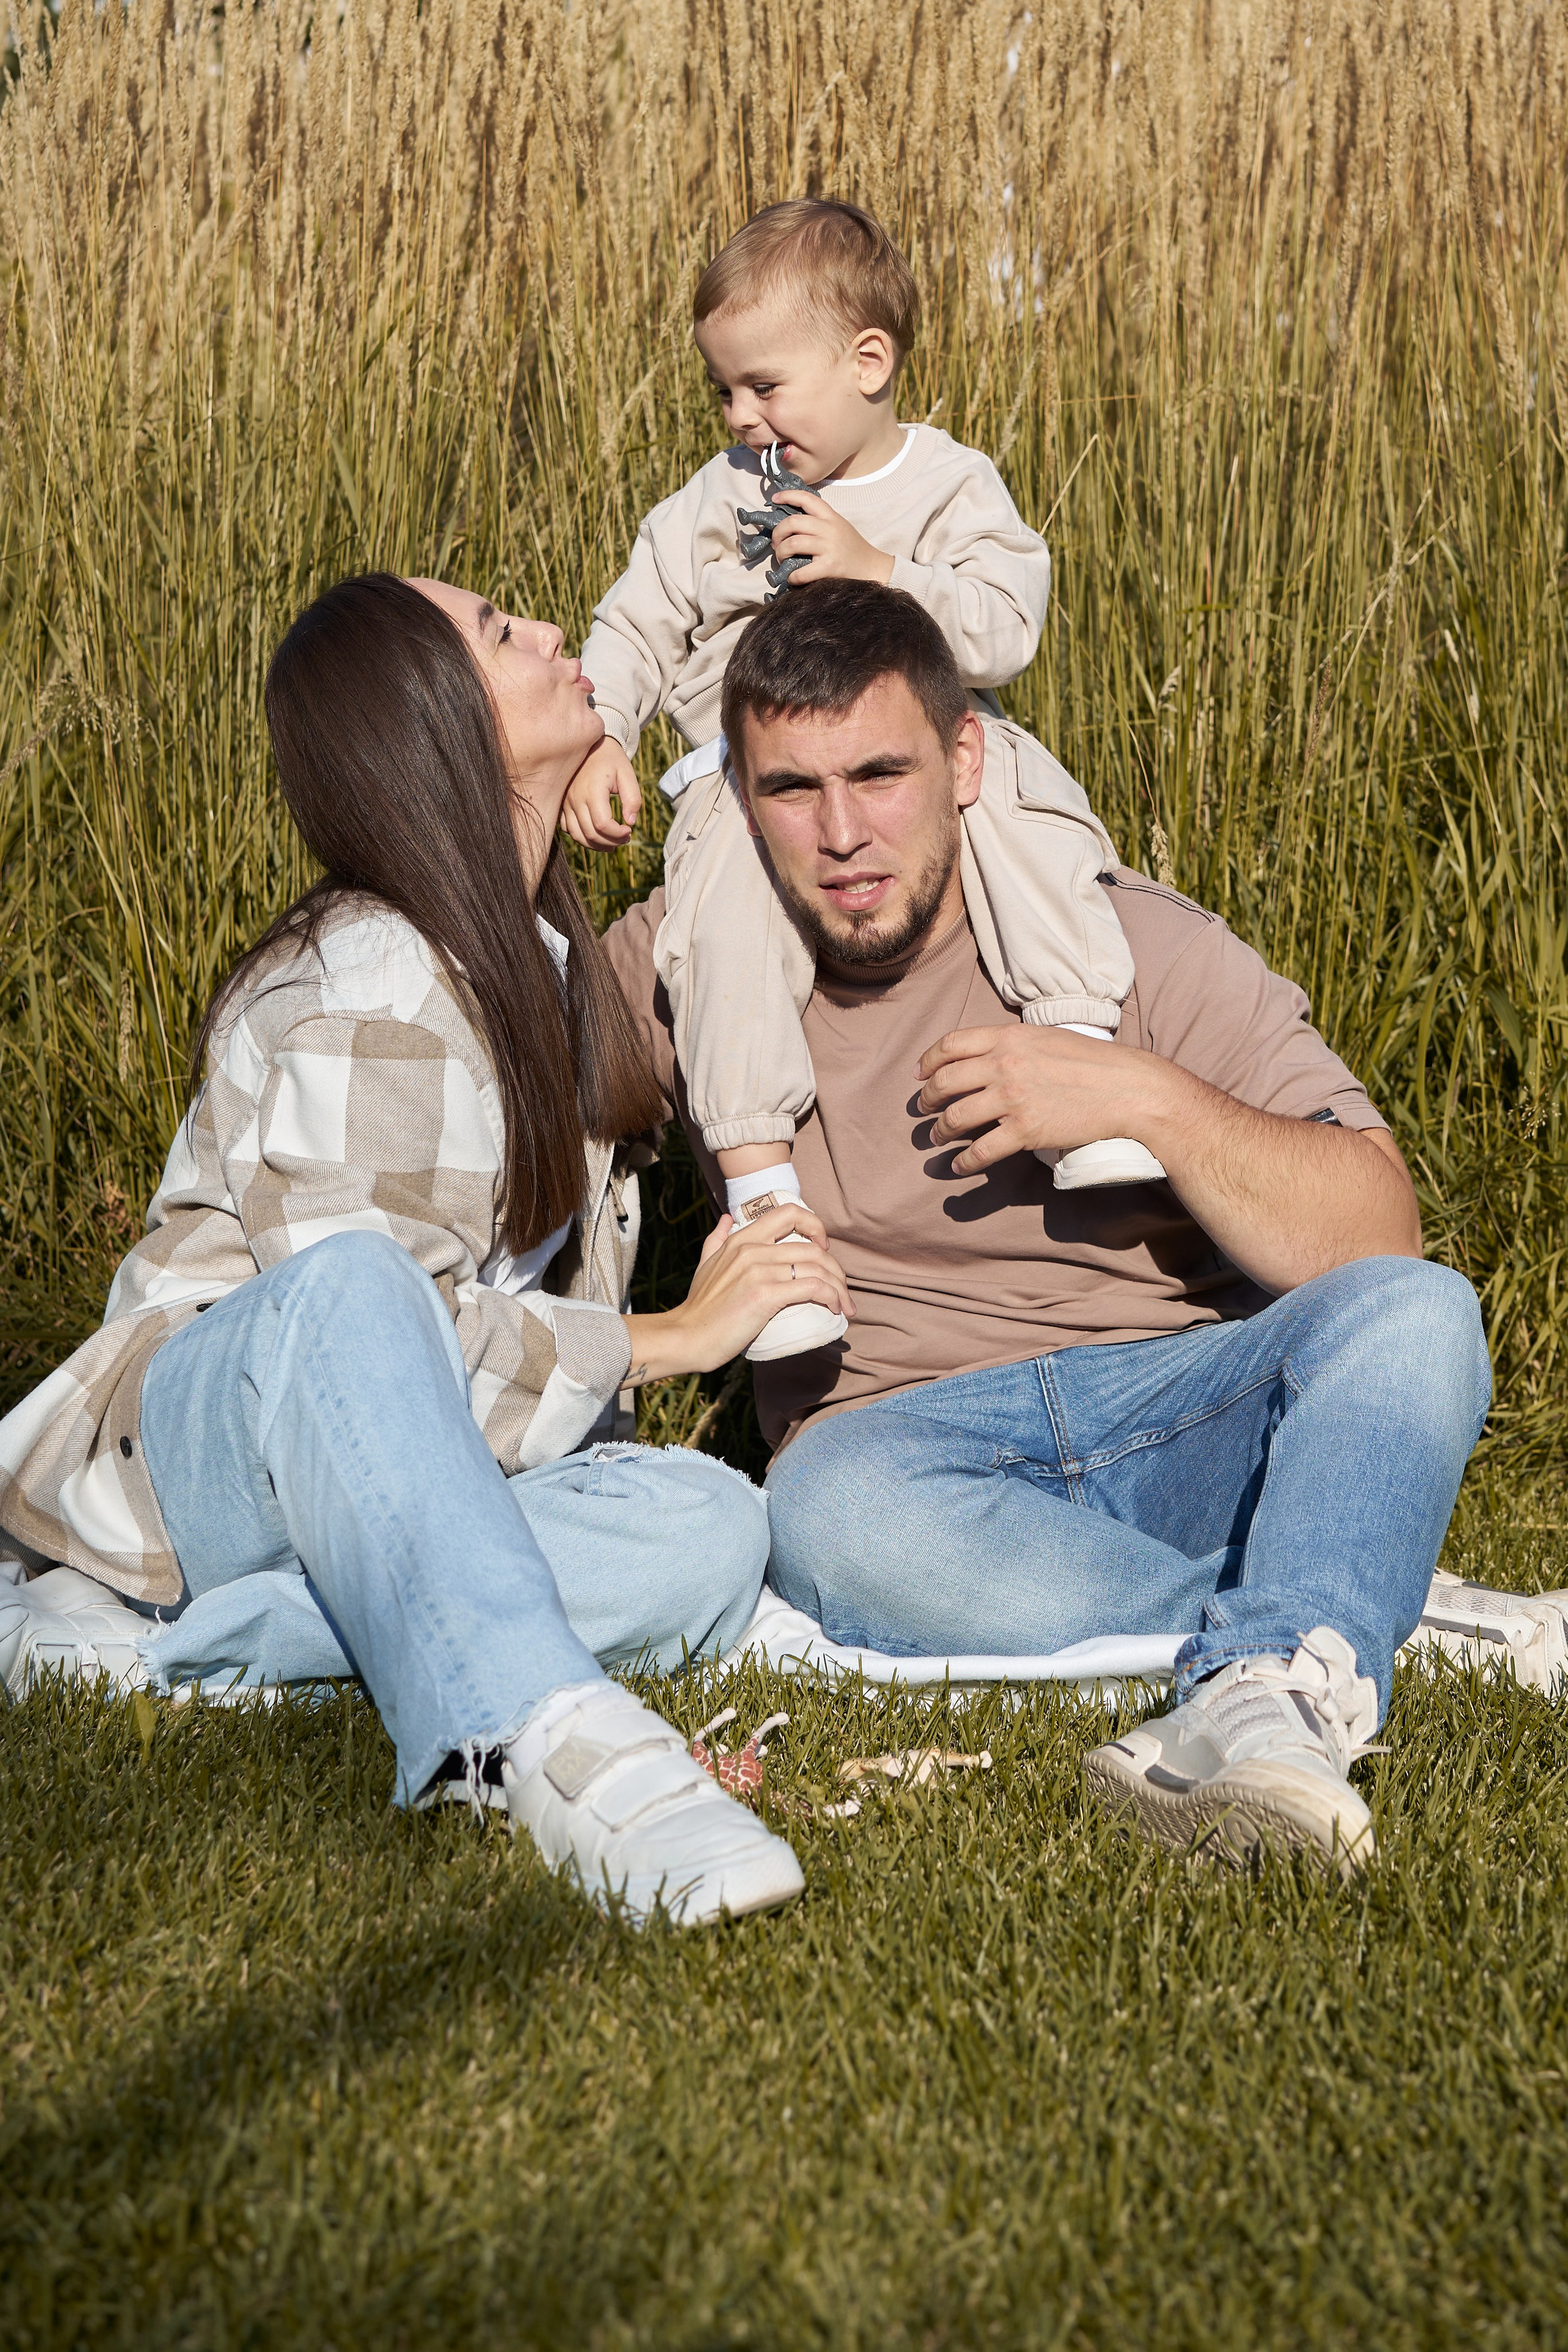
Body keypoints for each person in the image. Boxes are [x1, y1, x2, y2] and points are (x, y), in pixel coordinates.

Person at [604, 579, 1494, 1880]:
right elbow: (509, 1070)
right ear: (736, 796)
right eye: (791, 789)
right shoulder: (691, 963)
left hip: (1180, 1396)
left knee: (1417, 1318)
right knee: (819, 1510)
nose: (843, 833)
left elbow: (1377, 1234)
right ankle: (1320, 1639)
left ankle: (1278, 1651)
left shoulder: (1118, 942)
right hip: (902, 1450)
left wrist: (1142, 1099)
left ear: (965, 759)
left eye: (879, 773)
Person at [0, 574, 854, 1926]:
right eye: (501, 634)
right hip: (201, 1457)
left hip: (367, 1499)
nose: (552, 633)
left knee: (706, 1522)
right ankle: (538, 1735)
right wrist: (668, 1339)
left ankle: (176, 1650)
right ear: (430, 722)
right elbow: (362, 1345)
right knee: (356, 1285)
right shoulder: (372, 978)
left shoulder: (534, 963)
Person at [565, 199, 1161, 1365]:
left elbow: (1004, 628)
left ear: (868, 363)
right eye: (725, 395)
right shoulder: (715, 502)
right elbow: (634, 624)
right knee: (719, 920)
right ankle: (765, 1201)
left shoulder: (947, 486)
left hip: (927, 756)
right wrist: (604, 732)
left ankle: (1077, 1045)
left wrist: (880, 571)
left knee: (1027, 815)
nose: (743, 418)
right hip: (750, 783)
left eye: (764, 388)